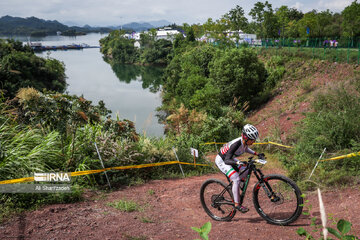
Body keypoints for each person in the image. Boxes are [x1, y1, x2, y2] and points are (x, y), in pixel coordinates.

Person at [215, 124, 264, 213]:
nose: (254, 142)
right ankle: (237, 204)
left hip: (230, 158)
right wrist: (238, 162)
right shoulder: (236, 144)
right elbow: (227, 161)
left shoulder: (244, 142)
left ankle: (238, 185)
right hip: (222, 160)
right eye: (252, 140)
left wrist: (257, 154)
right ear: (246, 138)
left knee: (246, 168)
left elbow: (245, 149)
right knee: (236, 178)